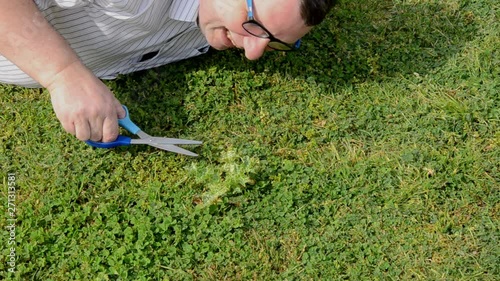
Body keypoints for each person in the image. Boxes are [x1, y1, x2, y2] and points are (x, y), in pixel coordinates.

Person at [0, 0, 335, 143]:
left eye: (274, 43)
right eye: (255, 28)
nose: (252, 53)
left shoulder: (219, 18)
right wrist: (63, 74)